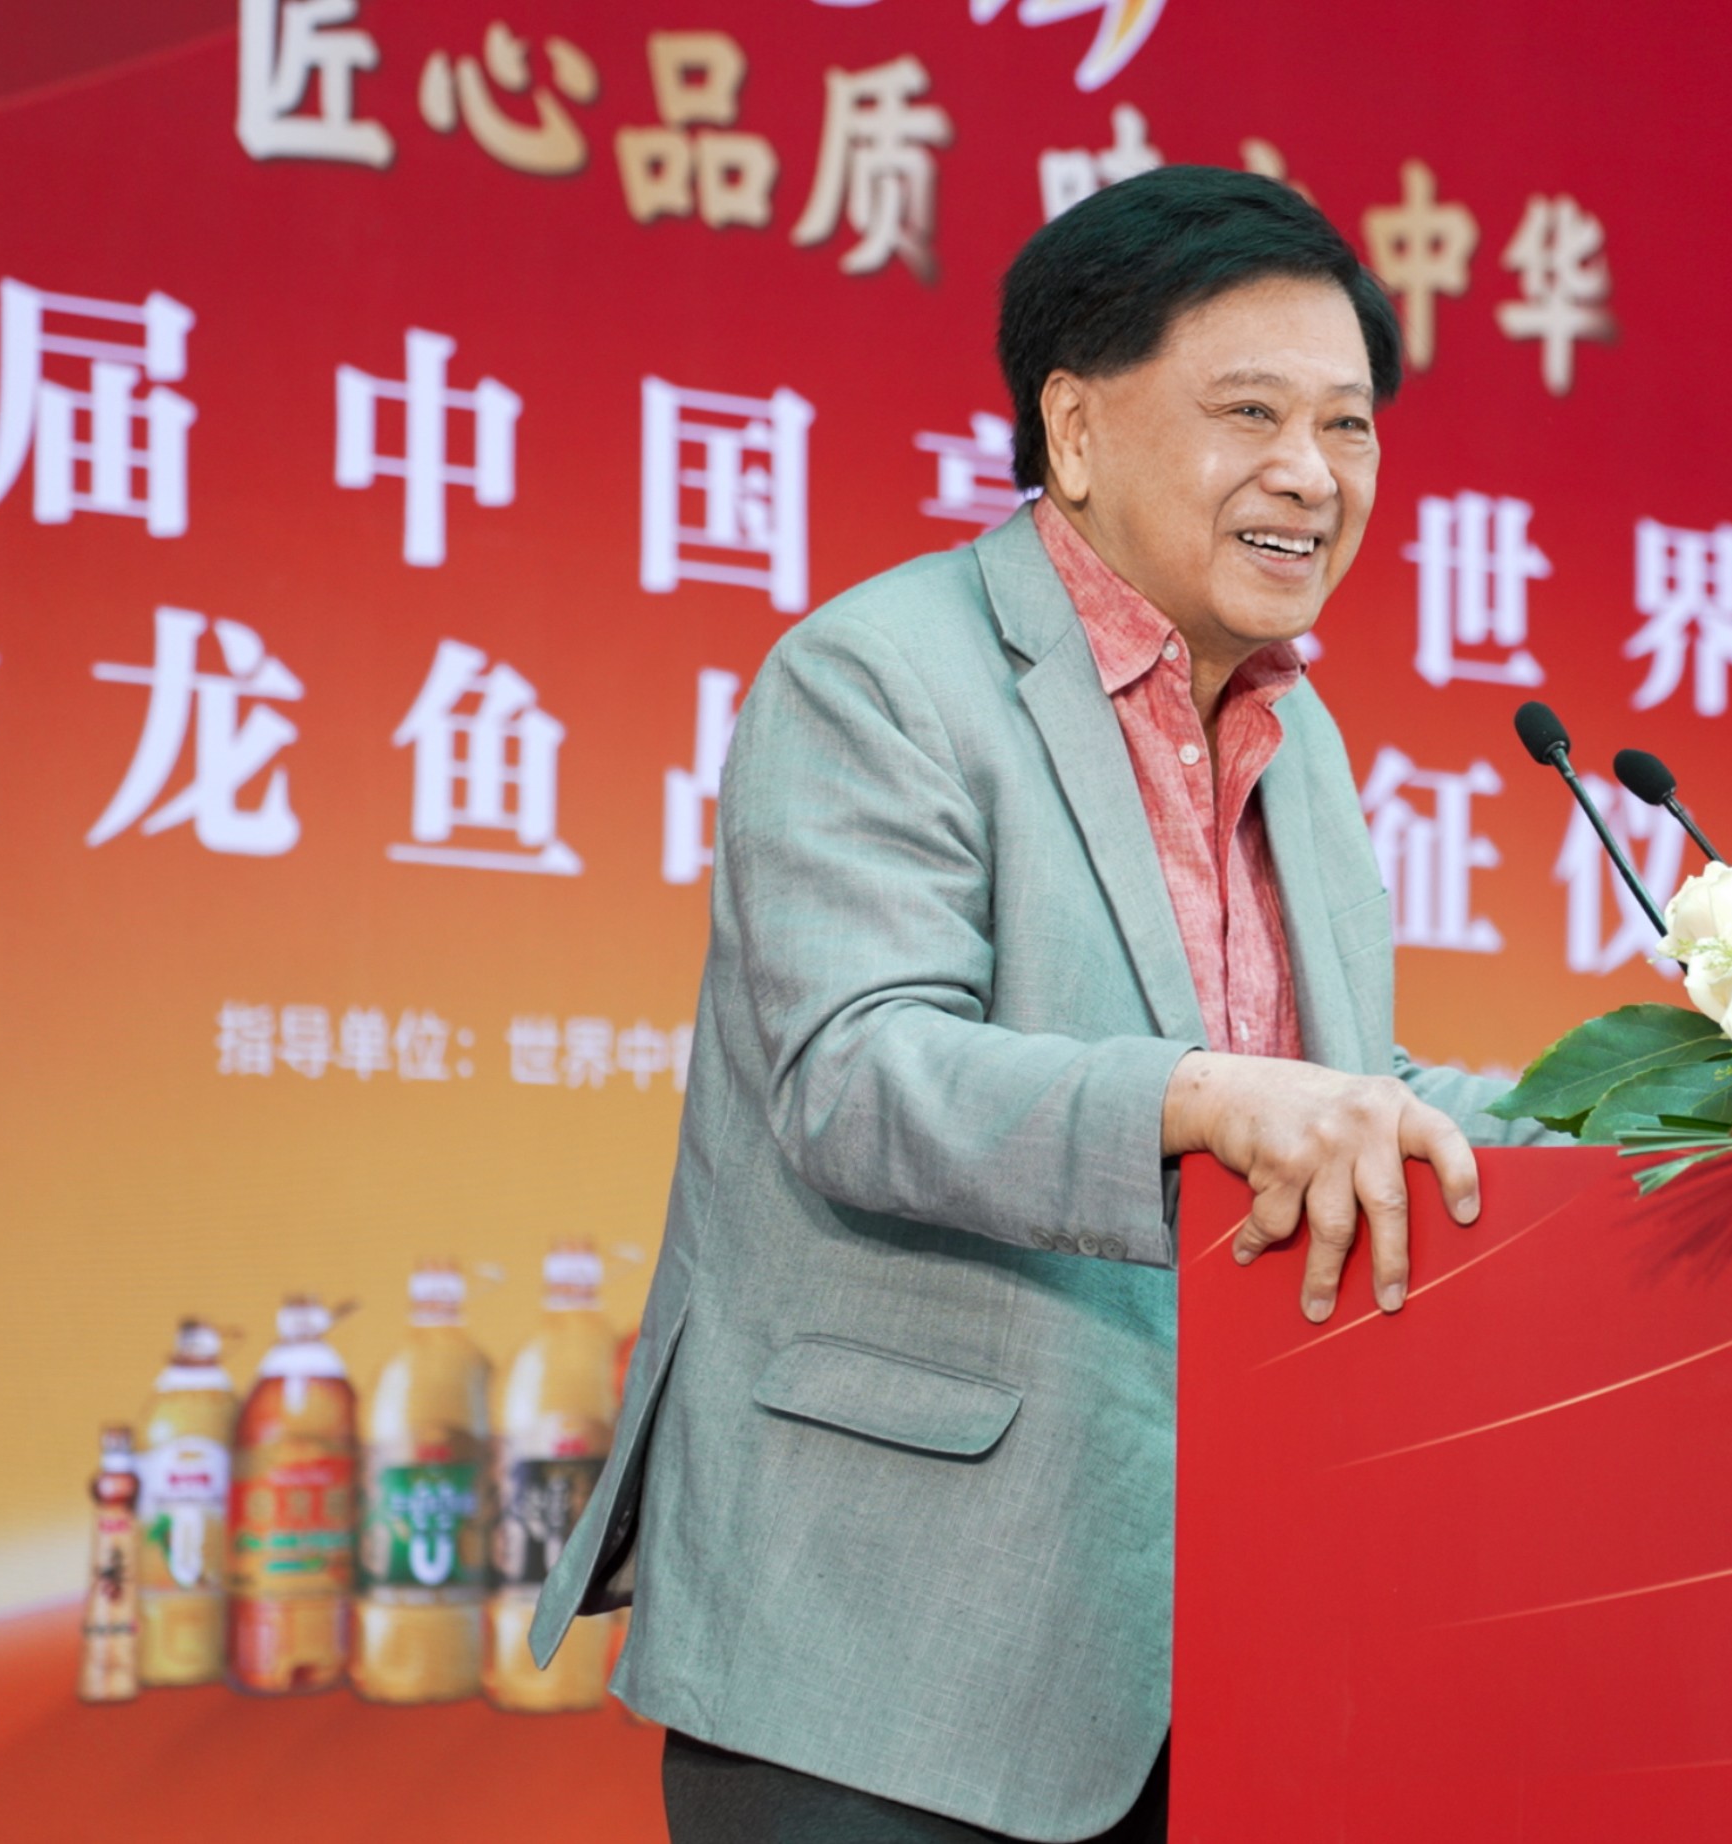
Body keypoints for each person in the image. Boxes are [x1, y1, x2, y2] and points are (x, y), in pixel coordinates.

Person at [525, 165, 1550, 1844]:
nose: (1311, 473)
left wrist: (1696, 1098)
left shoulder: (1297, 737)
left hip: (1204, 1650)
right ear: (1073, 430)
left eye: (1348, 427)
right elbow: (860, 1074)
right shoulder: (880, 673)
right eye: (1251, 414)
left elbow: (1337, 1083)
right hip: (881, 1649)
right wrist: (1206, 1097)